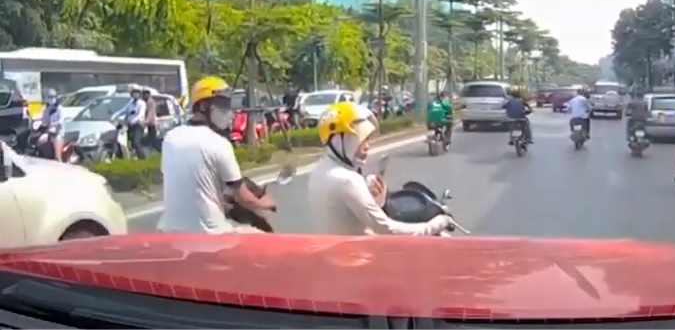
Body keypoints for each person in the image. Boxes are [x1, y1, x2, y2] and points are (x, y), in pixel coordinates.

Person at [305, 101, 451, 235]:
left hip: (331, 247)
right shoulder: (346, 180)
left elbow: (344, 214)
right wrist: (434, 225)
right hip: (355, 252)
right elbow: (385, 228)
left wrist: (369, 192)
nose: (368, 145)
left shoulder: (321, 169)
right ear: (341, 140)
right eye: (361, 139)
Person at [158, 76, 276, 234]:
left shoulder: (170, 138)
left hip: (169, 231)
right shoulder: (219, 143)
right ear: (203, 107)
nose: (229, 112)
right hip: (211, 233)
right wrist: (265, 203)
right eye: (222, 105)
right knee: (265, 238)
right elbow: (243, 198)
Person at [120, 86, 148, 159]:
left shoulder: (142, 103)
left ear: (140, 94)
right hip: (130, 125)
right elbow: (124, 110)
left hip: (138, 125)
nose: (135, 95)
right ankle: (133, 156)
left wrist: (133, 121)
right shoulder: (131, 103)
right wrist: (115, 115)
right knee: (130, 141)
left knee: (136, 142)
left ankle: (143, 157)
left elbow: (141, 115)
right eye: (134, 93)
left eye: (137, 93)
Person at [38, 88, 64, 161]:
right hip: (49, 132)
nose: (51, 99)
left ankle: (58, 159)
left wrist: (53, 124)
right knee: (41, 141)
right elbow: (44, 121)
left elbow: (61, 121)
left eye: (53, 97)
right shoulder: (46, 109)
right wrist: (41, 126)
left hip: (58, 132)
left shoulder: (59, 108)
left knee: (57, 141)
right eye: (49, 97)